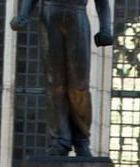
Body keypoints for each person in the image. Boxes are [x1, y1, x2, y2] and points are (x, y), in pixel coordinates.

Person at [10, 0, 113, 157]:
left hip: (77, 14)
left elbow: (103, 3)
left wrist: (105, 28)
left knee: (79, 85)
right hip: (49, 16)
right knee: (54, 83)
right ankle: (60, 140)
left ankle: (81, 140)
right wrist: (23, 15)